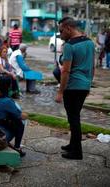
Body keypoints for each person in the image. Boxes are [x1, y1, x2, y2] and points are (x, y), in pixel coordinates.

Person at [55, 17, 95, 160]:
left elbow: (65, 71)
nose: (60, 35)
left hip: (72, 87)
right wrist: (89, 84)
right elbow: (92, 66)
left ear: (68, 28)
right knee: (74, 117)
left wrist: (60, 91)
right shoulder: (90, 42)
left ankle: (77, 152)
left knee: (74, 119)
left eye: (61, 31)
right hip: (84, 85)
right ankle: (72, 145)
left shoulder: (69, 46)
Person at [0, 75, 26, 157]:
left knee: (11, 119)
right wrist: (27, 115)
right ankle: (17, 147)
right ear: (9, 86)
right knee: (20, 123)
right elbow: (20, 116)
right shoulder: (7, 101)